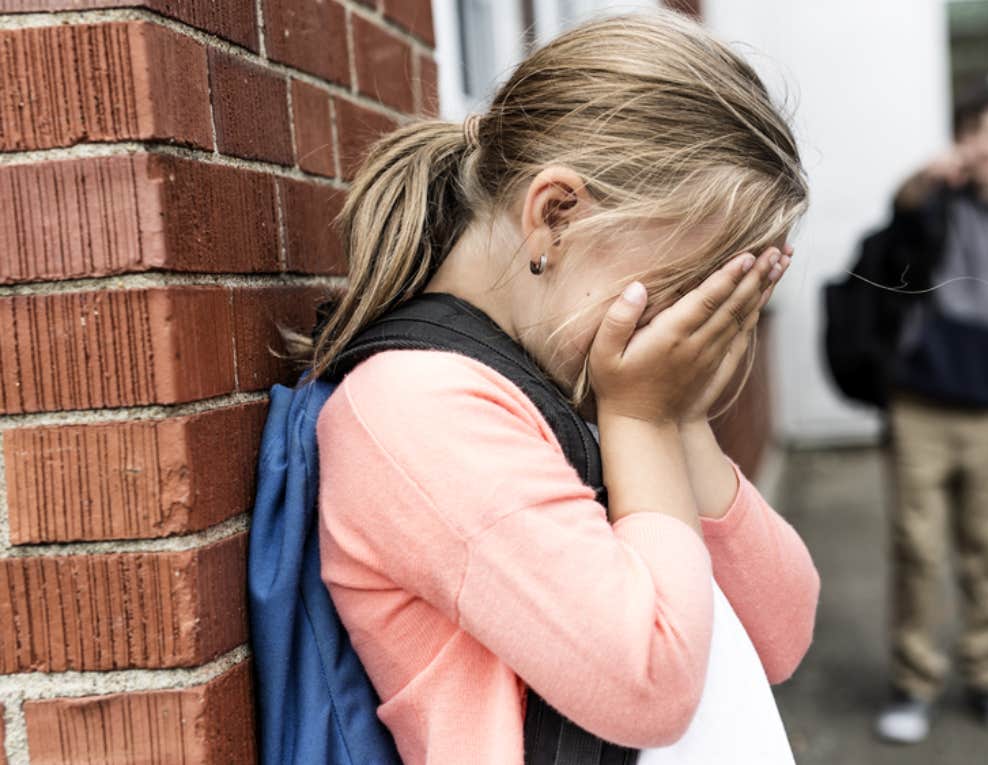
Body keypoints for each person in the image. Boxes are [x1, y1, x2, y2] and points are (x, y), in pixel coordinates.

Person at [303, 13, 820, 764]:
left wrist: (679, 418)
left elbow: (782, 631)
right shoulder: (417, 409)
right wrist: (641, 417)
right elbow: (651, 686)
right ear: (553, 215)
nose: (687, 328)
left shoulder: (586, 377)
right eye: (678, 287)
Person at [873, 86, 988, 744]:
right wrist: (924, 177)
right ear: (959, 139)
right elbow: (898, 222)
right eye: (975, 129)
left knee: (984, 550)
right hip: (919, 404)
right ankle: (913, 683)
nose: (987, 142)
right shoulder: (932, 206)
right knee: (916, 550)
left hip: (987, 414)